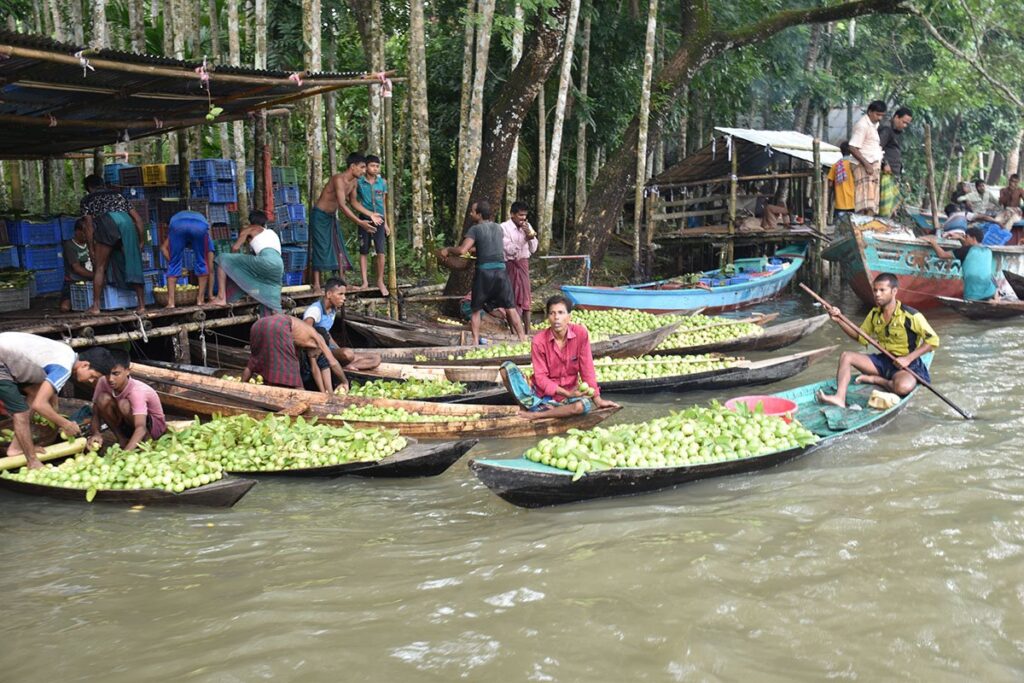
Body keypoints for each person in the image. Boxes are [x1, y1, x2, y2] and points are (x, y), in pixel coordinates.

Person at [817, 273, 939, 408]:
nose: (877, 294)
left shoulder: (910, 315)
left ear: (894, 291)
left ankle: (877, 380)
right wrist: (839, 319)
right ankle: (840, 397)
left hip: (906, 365)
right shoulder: (875, 314)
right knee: (846, 356)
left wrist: (908, 359)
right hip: (884, 361)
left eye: (882, 290)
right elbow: (860, 336)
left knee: (903, 388)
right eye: (875, 290)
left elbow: (933, 341)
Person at [501, 295, 618, 420]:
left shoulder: (580, 334)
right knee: (506, 368)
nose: (556, 318)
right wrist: (566, 393)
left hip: (569, 397)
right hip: (541, 395)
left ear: (569, 317)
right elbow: (540, 378)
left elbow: (587, 369)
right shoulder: (538, 341)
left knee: (582, 405)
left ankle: (537, 414)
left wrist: (598, 400)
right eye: (552, 313)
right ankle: (530, 407)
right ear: (548, 318)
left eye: (561, 313)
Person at [0, 335, 113, 459]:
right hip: (3, 361)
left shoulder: (68, 354)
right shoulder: (64, 368)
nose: (91, 381)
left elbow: (47, 394)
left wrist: (56, 416)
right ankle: (32, 461)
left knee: (35, 393)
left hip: (9, 357)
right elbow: (39, 405)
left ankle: (16, 448)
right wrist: (65, 424)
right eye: (93, 376)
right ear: (85, 365)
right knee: (20, 413)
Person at [441, 200, 527, 345]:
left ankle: (475, 343)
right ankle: (523, 340)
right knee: (510, 308)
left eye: (473, 212)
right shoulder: (498, 228)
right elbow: (488, 245)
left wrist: (448, 249)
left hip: (484, 273)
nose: (471, 214)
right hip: (501, 271)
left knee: (475, 309)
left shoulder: (475, 229)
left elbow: (462, 250)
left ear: (479, 215)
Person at [311, 152, 382, 293]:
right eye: (362, 167)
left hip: (331, 216)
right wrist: (360, 222)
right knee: (320, 247)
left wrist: (370, 214)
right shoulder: (338, 179)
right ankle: (317, 285)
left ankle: (342, 283)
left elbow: (353, 202)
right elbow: (343, 205)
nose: (364, 170)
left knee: (339, 247)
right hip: (319, 216)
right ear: (352, 166)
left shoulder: (354, 182)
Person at [79, 174, 147, 314]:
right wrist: (140, 241)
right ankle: (141, 305)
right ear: (102, 184)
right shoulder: (118, 195)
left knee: (100, 267)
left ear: (89, 188)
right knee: (134, 263)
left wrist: (91, 248)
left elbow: (89, 227)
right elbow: (138, 220)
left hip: (107, 224)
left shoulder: (87, 199)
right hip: (127, 224)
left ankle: (96, 307)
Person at [300, 278, 380, 392]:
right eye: (340, 294)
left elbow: (327, 334)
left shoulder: (332, 310)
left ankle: (343, 366)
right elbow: (304, 333)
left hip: (329, 349)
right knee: (347, 354)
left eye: (344, 294)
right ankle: (341, 365)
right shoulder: (314, 311)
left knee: (376, 358)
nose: (344, 298)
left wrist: (337, 349)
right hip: (318, 352)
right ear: (329, 294)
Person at [88, 349, 166, 452]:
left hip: (152, 428)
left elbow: (141, 427)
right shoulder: (103, 381)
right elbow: (96, 413)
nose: (110, 379)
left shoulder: (137, 391)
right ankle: (122, 439)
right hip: (128, 424)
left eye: (116, 374)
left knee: (123, 404)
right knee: (102, 399)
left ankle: (146, 442)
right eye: (107, 373)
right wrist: (96, 433)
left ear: (128, 371)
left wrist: (125, 453)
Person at [243, 314, 343, 393]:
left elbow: (314, 368)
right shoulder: (318, 338)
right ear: (319, 348)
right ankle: (303, 397)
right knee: (294, 372)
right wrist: (344, 382)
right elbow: (333, 362)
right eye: (317, 355)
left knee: (254, 360)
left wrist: (325, 393)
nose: (315, 356)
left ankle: (241, 385)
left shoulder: (302, 338)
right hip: (279, 326)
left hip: (258, 324)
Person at [210, 210, 283, 315]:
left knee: (222, 258)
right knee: (267, 289)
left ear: (251, 221)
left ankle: (221, 297)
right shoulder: (272, 233)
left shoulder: (250, 229)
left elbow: (235, 248)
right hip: (279, 265)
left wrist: (231, 266)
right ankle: (273, 312)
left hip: (265, 260)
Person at [923, 227, 998, 301]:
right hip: (991, 291)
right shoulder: (988, 250)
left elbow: (942, 255)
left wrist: (933, 242)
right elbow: (968, 249)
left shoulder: (965, 250)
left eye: (966, 237)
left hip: (974, 295)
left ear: (973, 238)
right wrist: (959, 238)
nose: (964, 238)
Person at [353, 154, 390, 296]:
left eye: (377, 166)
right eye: (372, 166)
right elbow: (354, 201)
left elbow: (384, 204)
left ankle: (380, 281)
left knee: (381, 251)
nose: (375, 169)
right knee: (364, 251)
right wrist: (368, 215)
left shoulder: (382, 182)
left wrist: (386, 224)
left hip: (379, 219)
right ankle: (365, 282)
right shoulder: (359, 182)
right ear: (366, 167)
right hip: (365, 219)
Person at [500, 201, 539, 330]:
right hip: (509, 265)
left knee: (526, 296)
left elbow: (533, 249)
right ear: (512, 214)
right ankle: (513, 329)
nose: (523, 218)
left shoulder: (528, 226)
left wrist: (530, 236)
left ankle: (527, 330)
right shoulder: (503, 228)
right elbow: (509, 249)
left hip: (523, 263)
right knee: (511, 296)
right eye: (520, 215)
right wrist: (525, 239)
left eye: (525, 215)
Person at [163, 210, 211, 308]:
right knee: (202, 261)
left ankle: (171, 303)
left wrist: (174, 264)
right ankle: (200, 300)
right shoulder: (202, 223)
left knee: (174, 262)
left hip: (178, 225)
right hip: (199, 225)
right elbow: (209, 254)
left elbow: (163, 248)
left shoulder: (174, 223)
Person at [848, 100, 887, 215]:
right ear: (870, 112)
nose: (879, 118)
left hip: (872, 165)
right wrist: (866, 164)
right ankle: (861, 225)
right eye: (877, 114)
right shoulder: (862, 125)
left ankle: (868, 225)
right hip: (863, 165)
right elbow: (852, 147)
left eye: (881, 115)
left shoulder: (874, 125)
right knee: (864, 199)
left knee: (872, 200)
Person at [877, 106, 912, 217]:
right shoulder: (886, 129)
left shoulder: (896, 132)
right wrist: (885, 163)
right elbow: (877, 148)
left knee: (893, 203)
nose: (904, 126)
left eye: (907, 124)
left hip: (894, 174)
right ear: (896, 117)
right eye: (903, 122)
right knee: (884, 205)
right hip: (885, 173)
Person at [60, 219, 94, 312]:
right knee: (65, 308)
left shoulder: (91, 244)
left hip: (91, 281)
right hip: (74, 281)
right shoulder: (69, 245)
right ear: (77, 232)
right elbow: (77, 268)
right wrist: (96, 276)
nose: (86, 235)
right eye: (84, 232)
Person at [827, 142, 856, 219]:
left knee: (841, 227)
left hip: (840, 203)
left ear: (841, 151)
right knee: (853, 226)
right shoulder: (854, 165)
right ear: (851, 151)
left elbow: (830, 184)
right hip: (854, 202)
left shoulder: (836, 165)